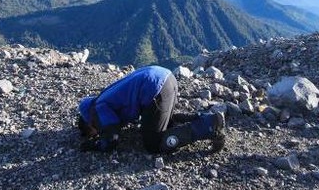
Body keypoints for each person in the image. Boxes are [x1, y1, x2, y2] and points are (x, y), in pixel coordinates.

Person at [76, 65, 226, 154]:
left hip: (155, 89)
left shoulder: (97, 110)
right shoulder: (101, 99)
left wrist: (97, 145)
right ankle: (205, 118)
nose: (96, 133)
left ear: (89, 123)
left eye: (93, 133)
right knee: (164, 121)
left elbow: (111, 138)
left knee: (153, 143)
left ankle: (210, 126)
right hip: (166, 77)